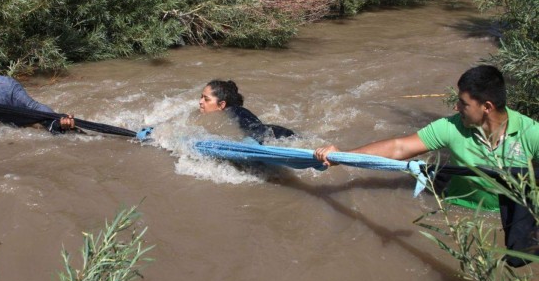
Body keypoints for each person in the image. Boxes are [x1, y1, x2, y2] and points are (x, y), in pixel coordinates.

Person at [314, 65, 539, 212]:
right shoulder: (452, 127)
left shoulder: (531, 133)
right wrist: (342, 156)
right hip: (456, 211)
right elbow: (399, 147)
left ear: (487, 107)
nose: (456, 106)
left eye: (464, 103)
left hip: (507, 218)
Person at [199, 79, 295, 143]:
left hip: (280, 135)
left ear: (221, 105)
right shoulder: (228, 113)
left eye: (206, 99)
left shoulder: (232, 112)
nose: (200, 102)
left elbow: (256, 134)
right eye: (201, 97)